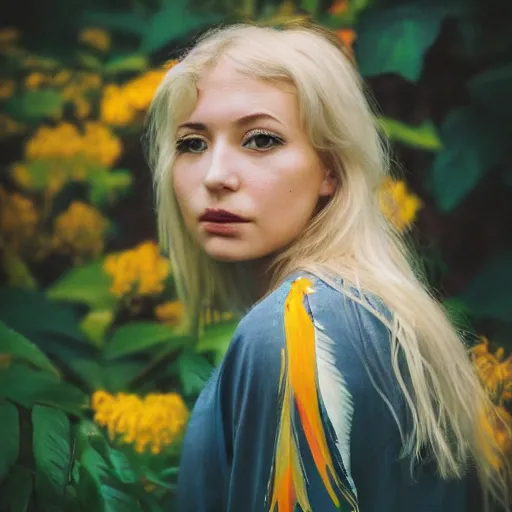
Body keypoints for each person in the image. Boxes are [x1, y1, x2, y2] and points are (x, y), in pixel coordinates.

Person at [146, 20, 510, 512]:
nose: (215, 176)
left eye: (260, 139)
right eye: (192, 143)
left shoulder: (296, 327)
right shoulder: (373, 315)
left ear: (332, 170)